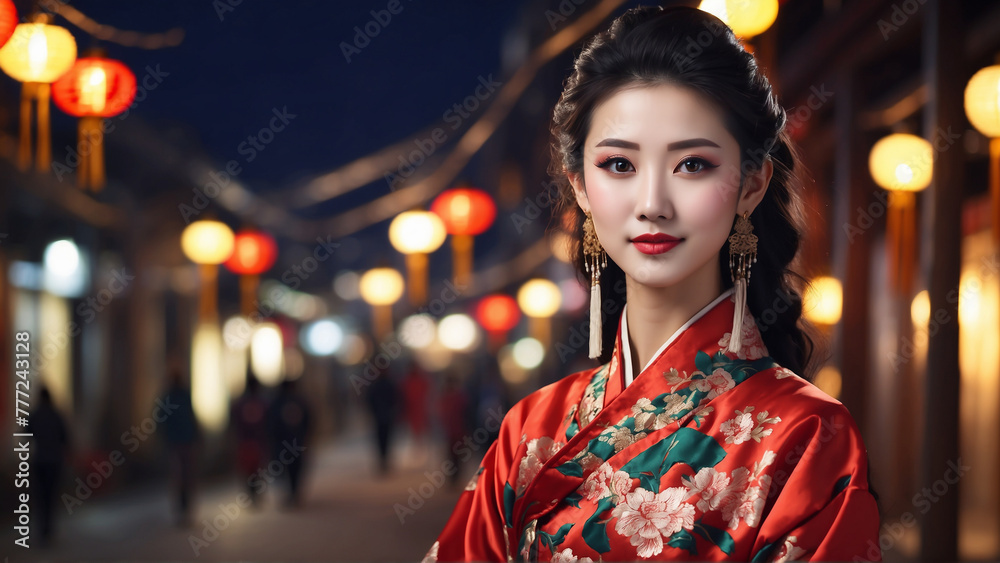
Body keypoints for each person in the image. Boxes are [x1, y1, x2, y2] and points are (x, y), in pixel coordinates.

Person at [424, 6, 881, 562]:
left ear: (752, 184)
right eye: (619, 165)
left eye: (692, 165)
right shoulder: (530, 428)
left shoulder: (806, 436)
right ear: (581, 187)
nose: (652, 205)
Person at [27, 386, 68, 545]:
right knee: (50, 497)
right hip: (54, 462)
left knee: (40, 497)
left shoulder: (35, 414)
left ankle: (42, 531)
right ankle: (49, 530)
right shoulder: (56, 415)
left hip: (39, 461)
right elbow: (65, 437)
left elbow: (26, 433)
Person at [159, 368, 199, 526]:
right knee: (181, 477)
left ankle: (185, 508)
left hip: (182, 443)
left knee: (184, 477)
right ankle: (183, 509)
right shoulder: (171, 398)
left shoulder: (178, 397)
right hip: (178, 443)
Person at [268, 378, 311, 506]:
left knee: (282, 470)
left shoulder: (276, 402)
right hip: (296, 443)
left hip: (281, 444)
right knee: (295, 469)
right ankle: (294, 493)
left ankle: (290, 494)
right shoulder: (300, 401)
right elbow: (309, 421)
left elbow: (271, 424)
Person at [231, 372, 269, 507]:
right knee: (256, 469)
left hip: (246, 441)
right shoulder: (262, 402)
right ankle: (255, 493)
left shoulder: (241, 403)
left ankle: (252, 493)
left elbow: (234, 422)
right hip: (257, 441)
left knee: (249, 469)